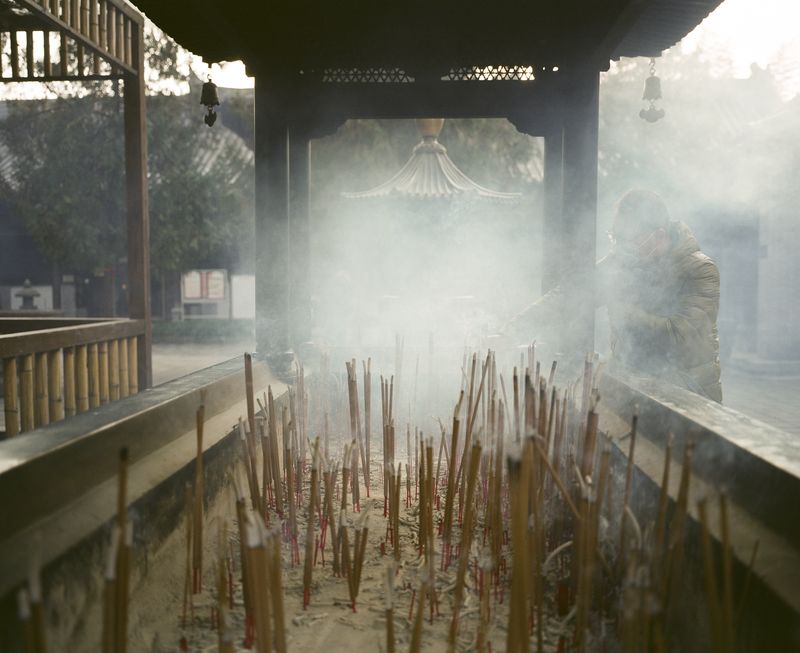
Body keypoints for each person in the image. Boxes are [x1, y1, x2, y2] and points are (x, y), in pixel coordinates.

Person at [508, 189, 722, 402]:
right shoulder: (623, 262)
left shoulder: (700, 270)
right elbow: (571, 294)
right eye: (616, 238)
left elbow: (681, 337)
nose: (621, 248)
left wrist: (624, 311)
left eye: (628, 240)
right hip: (634, 388)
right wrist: (512, 330)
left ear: (659, 236)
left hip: (688, 395)